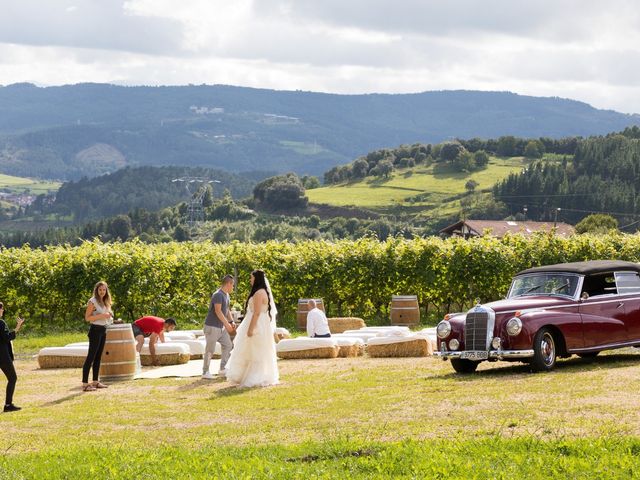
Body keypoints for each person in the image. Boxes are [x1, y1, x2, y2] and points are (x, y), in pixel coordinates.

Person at [225, 269, 279, 388]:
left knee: (255, 350)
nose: (250, 280)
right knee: (252, 349)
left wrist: (250, 329)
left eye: (251, 278)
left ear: (256, 279)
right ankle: (248, 374)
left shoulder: (259, 293)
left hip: (257, 323)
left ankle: (256, 376)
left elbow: (257, 313)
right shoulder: (261, 291)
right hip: (259, 322)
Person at [202, 275, 236, 379]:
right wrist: (227, 325)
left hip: (221, 328)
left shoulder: (226, 295)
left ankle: (222, 368)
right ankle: (205, 372)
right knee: (210, 350)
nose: (233, 288)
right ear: (228, 284)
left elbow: (227, 310)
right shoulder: (218, 295)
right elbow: (218, 311)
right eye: (232, 285)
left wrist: (231, 321)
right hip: (212, 327)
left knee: (228, 345)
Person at [82, 281, 113, 392]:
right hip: (95, 331)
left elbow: (107, 315)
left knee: (98, 357)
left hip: (103, 330)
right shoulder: (92, 301)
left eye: (104, 290)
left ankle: (95, 381)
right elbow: (87, 318)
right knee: (91, 357)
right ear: (96, 290)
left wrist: (109, 316)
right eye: (100, 290)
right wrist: (102, 316)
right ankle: (85, 384)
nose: (102, 292)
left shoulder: (106, 301)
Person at [0, 302, 24, 412]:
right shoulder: (1, 323)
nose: (2, 311)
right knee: (12, 378)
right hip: (3, 356)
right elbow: (7, 338)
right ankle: (8, 405)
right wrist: (17, 327)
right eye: (1, 309)